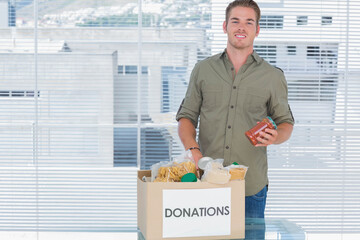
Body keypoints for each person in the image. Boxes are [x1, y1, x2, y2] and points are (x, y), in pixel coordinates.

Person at [176, 0, 294, 218]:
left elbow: (285, 122)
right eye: (235, 21)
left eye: (249, 22)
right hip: (206, 181)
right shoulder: (203, 70)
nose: (241, 27)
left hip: (250, 188)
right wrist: (194, 152)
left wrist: (276, 137)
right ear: (225, 26)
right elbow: (186, 117)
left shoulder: (272, 76)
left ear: (257, 30)